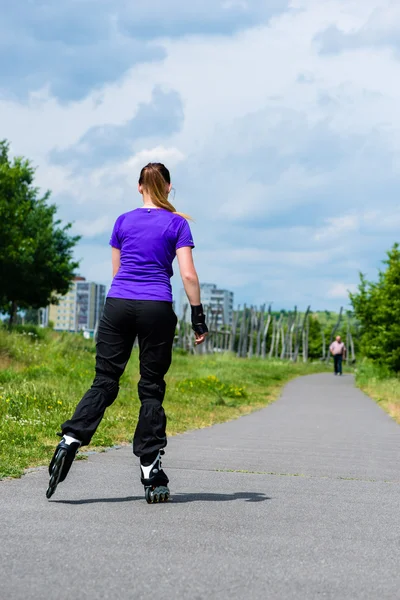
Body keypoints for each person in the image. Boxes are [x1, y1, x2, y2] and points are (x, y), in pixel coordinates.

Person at [47, 163, 208, 503]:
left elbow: (117, 271)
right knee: (150, 388)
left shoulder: (122, 221)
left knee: (105, 380)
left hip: (118, 304)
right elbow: (189, 276)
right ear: (167, 187)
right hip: (156, 307)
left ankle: (72, 437)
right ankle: (150, 467)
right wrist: (198, 317)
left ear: (139, 188)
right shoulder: (177, 223)